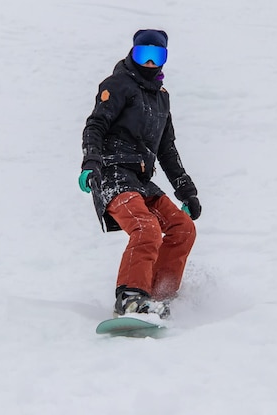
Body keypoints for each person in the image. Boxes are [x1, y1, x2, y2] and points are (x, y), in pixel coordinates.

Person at [79, 29, 201, 319]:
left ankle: (158, 296)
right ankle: (130, 298)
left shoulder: (161, 98)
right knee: (145, 228)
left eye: (156, 56)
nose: (148, 62)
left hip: (141, 181)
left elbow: (166, 149)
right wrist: (91, 162)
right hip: (112, 174)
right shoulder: (117, 85)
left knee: (182, 228)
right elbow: (95, 125)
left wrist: (187, 191)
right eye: (141, 54)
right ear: (132, 53)